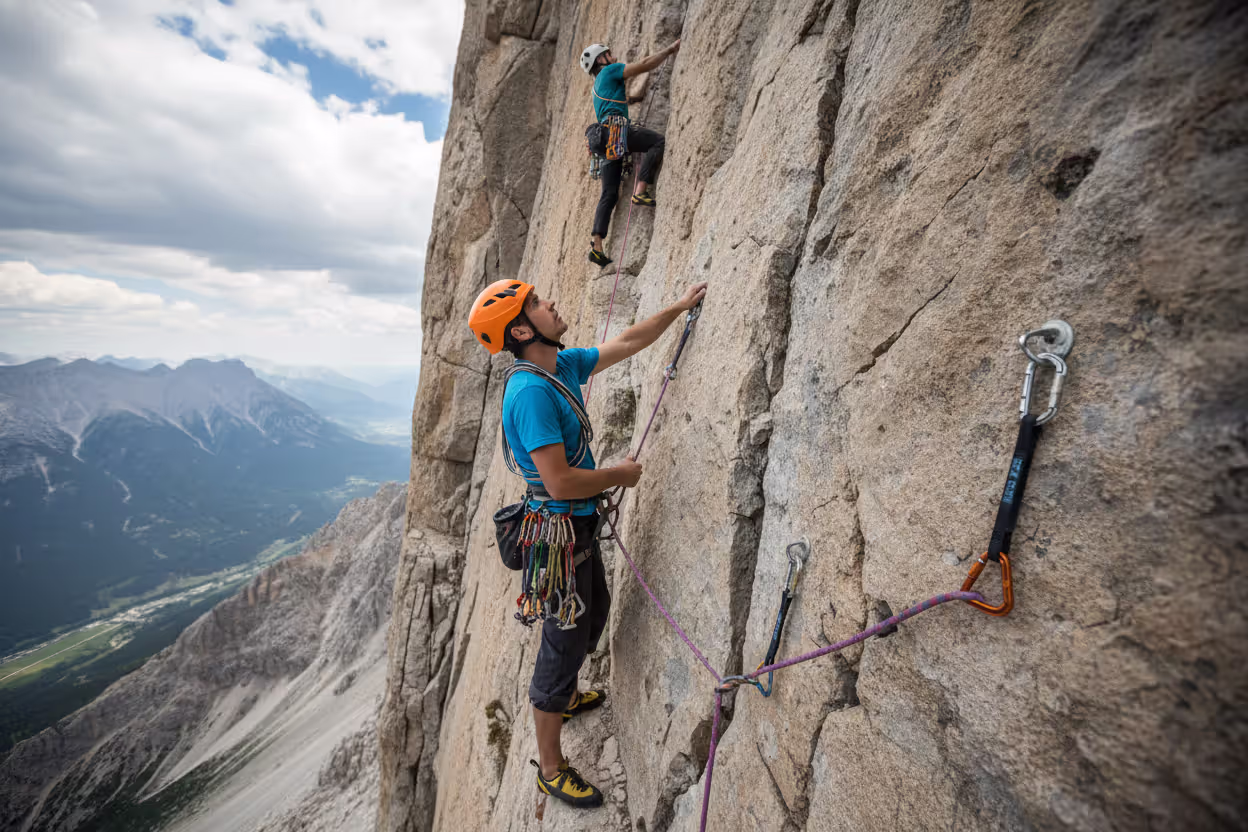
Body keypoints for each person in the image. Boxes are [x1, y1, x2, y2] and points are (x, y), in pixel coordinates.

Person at [468, 276, 708, 808]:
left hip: (573, 526)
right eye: (537, 303)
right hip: (556, 533)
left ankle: (570, 696)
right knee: (564, 639)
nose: (552, 302)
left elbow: (625, 342)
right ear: (523, 328)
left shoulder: (560, 366)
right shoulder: (531, 392)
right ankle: (550, 768)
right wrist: (617, 475)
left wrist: (677, 306)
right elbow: (559, 483)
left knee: (593, 611)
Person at [579, 40, 680, 269]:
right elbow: (643, 64)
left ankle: (597, 246)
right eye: (608, 54)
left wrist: (635, 98)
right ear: (601, 60)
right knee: (657, 142)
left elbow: (623, 100)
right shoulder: (610, 71)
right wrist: (669, 49)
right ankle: (641, 190)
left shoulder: (598, 86)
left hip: (605, 142)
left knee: (609, 193)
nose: (612, 56)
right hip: (616, 131)